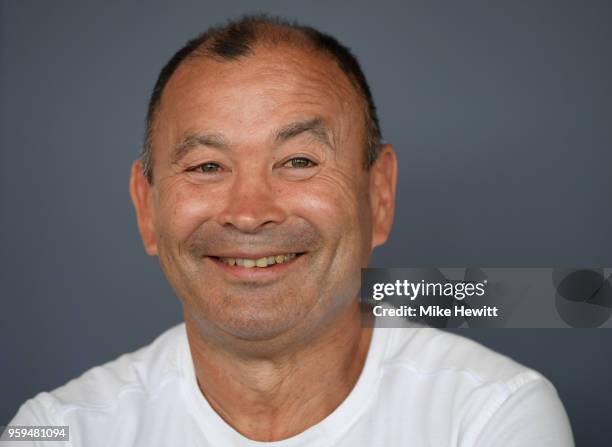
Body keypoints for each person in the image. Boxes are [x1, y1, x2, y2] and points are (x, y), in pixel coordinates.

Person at [8, 15, 574, 446]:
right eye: (207, 166)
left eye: (299, 161)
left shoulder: (492, 417)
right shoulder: (55, 430)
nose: (249, 212)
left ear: (379, 197)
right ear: (145, 207)